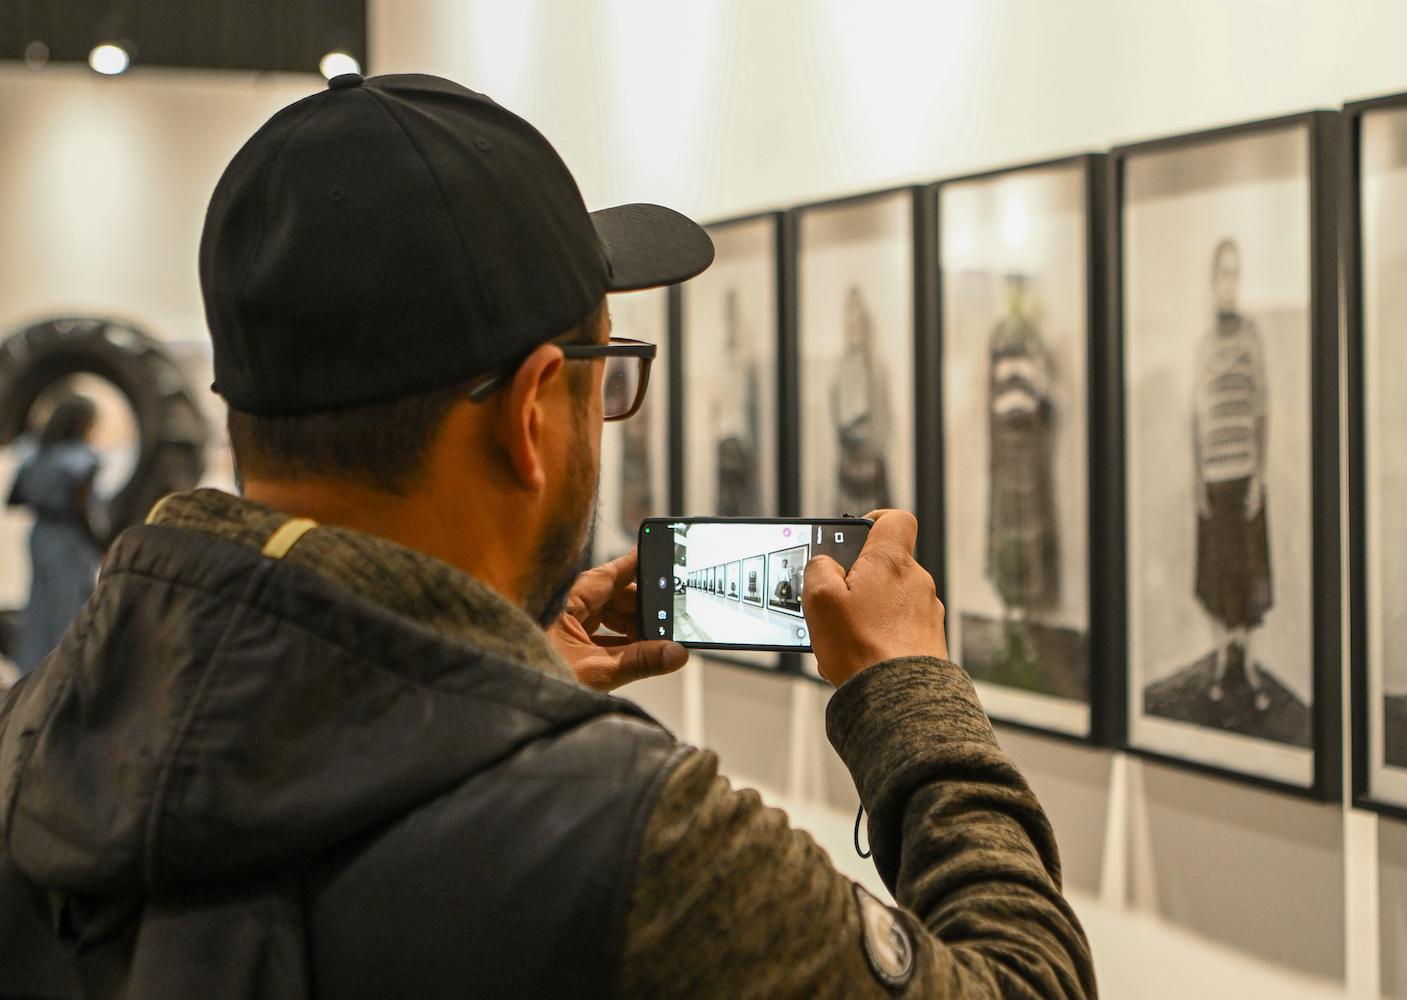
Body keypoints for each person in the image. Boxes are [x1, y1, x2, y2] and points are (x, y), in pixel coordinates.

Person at [0, 74, 1094, 1000]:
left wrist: (486, 687)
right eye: (605, 374)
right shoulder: (641, 841)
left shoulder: (42, 729)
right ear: (531, 413)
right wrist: (909, 694)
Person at [1192, 238, 1273, 711]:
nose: (1230, 282)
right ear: (1212, 280)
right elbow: (1196, 416)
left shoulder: (1251, 336)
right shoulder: (1206, 343)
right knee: (1220, 574)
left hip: (1244, 476)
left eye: (1235, 273)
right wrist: (1197, 480)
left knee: (1249, 573)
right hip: (1215, 478)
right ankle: (1224, 660)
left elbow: (1262, 408)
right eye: (1223, 273)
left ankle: (1251, 664)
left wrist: (1259, 477)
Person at [986, 274, 1059, 659]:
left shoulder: (1032, 340)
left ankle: (1025, 623)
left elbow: (1042, 395)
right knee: (1006, 534)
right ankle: (1009, 621)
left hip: (1027, 450)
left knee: (1028, 532)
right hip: (1005, 449)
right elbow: (992, 396)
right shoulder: (999, 337)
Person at [5, 394, 102, 675]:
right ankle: (60, 678)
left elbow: (13, 499)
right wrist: (101, 541)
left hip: (41, 536)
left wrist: (43, 497)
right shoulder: (81, 459)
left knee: (39, 610)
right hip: (69, 540)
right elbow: (82, 509)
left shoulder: (35, 456)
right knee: (68, 613)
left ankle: (32, 673)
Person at [831, 285, 893, 514]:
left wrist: (872, 447)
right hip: (848, 458)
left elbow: (883, 418)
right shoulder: (840, 367)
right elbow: (837, 410)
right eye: (849, 318)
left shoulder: (876, 367)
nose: (853, 324)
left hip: (869, 460)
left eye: (857, 318)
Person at [713, 289, 762, 516]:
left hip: (741, 438)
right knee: (725, 500)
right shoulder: (721, 356)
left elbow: (749, 402)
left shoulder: (744, 360)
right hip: (725, 437)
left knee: (743, 500)